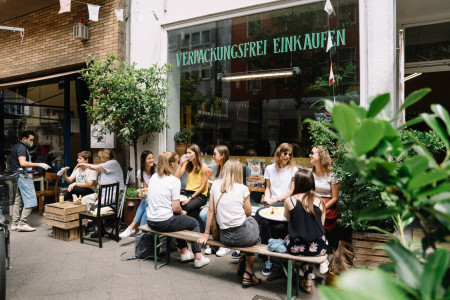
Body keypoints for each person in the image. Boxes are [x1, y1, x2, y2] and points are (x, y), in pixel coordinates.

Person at [197, 159, 260, 287]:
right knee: (254, 225)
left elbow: (210, 211)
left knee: (248, 225)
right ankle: (249, 272)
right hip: (243, 236)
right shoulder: (243, 188)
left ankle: (243, 258)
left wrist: (205, 234)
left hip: (225, 238)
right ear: (238, 172)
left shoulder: (215, 185)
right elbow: (248, 212)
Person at [147, 152, 210, 268]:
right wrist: (182, 212)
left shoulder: (154, 177)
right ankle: (198, 258)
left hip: (151, 220)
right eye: (176, 163)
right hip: (163, 222)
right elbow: (176, 208)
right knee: (194, 223)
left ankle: (185, 252)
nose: (177, 165)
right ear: (171, 165)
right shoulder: (174, 181)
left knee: (181, 220)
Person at [254, 142, 297, 276]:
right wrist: (267, 199)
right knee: (265, 222)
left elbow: (291, 192)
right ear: (279, 153)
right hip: (272, 203)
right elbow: (268, 188)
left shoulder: (293, 170)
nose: (287, 157)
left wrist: (273, 200)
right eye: (285, 153)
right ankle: (268, 258)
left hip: (284, 203)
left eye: (290, 154)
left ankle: (249, 245)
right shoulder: (269, 168)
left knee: (258, 214)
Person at [284, 169, 327, 294]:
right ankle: (308, 282)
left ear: (297, 183)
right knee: (309, 246)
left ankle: (291, 275)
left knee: (292, 240)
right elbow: (321, 225)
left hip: (296, 248)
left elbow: (287, 218)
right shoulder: (321, 201)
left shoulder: (290, 200)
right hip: (320, 248)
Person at [10, 131, 51, 232]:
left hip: (18, 176)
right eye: (30, 140)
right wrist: (39, 164)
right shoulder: (22, 148)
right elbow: (23, 163)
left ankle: (14, 223)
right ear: (24, 139)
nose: (32, 142)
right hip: (23, 176)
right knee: (31, 200)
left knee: (18, 200)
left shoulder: (16, 146)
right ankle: (22, 223)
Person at [198, 145, 230, 256]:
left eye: (215, 154)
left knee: (220, 216)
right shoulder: (215, 168)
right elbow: (212, 187)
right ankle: (212, 243)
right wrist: (209, 177)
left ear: (222, 155)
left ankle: (223, 245)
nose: (213, 156)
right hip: (213, 200)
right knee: (203, 215)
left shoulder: (229, 169)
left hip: (225, 201)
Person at [120, 150, 156, 238]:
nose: (152, 160)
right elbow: (145, 187)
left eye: (152, 158)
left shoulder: (156, 170)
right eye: (149, 158)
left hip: (157, 195)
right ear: (143, 160)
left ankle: (132, 227)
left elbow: (156, 188)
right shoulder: (140, 172)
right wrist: (142, 192)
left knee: (145, 201)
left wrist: (142, 191)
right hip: (150, 196)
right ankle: (140, 232)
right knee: (146, 206)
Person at [309, 145, 340, 249]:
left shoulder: (332, 174)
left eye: (312, 153)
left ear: (321, 155)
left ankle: (322, 247)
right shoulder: (309, 173)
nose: (310, 155)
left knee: (320, 216)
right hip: (311, 202)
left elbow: (335, 198)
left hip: (327, 205)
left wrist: (322, 207)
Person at [174, 144, 209, 218]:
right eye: (187, 153)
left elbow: (202, 187)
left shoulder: (204, 166)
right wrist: (180, 164)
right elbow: (176, 177)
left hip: (200, 195)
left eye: (190, 153)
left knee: (187, 206)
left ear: (196, 154)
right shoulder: (187, 164)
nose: (188, 155)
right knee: (177, 204)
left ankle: (187, 225)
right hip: (188, 192)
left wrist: (190, 198)